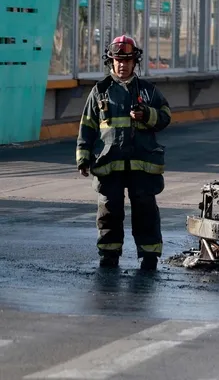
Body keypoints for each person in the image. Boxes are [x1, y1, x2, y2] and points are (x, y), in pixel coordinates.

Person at [76, 35, 171, 271]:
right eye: (118, 60)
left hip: (142, 165)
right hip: (110, 164)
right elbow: (87, 126)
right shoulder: (100, 91)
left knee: (145, 210)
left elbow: (166, 116)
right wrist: (83, 157)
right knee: (108, 210)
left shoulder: (148, 91)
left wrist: (147, 115)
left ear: (134, 62)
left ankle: (150, 256)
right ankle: (109, 255)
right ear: (111, 62)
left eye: (127, 60)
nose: (122, 65)